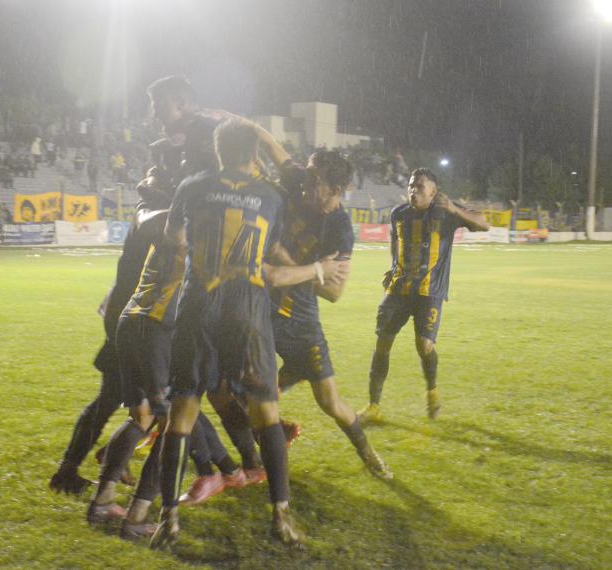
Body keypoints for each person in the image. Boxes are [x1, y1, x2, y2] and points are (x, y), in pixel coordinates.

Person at [48, 76, 230, 496]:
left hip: (150, 309)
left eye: (157, 105)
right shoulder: (157, 192)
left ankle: (80, 472)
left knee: (130, 396)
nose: (152, 114)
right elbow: (154, 224)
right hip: (141, 312)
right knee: (167, 399)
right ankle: (212, 471)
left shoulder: (184, 185)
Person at [151, 120, 329, 549]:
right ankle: (281, 517)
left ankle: (168, 521)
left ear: (218, 152)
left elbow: (172, 239)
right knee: (266, 414)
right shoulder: (271, 196)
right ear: (254, 153)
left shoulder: (192, 186)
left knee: (182, 416)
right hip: (247, 312)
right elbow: (271, 253)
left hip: (198, 308)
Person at [256, 129, 392, 479]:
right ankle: (262, 458)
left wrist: (289, 265)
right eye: (307, 175)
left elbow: (333, 292)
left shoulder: (339, 229)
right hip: (265, 309)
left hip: (301, 322)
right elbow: (270, 145)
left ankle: (368, 453)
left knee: (329, 402)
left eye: (314, 180)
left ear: (336, 189)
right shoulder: (300, 180)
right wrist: (238, 123)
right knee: (248, 390)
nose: (304, 184)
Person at [358, 168, 490, 424]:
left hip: (429, 292)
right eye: (410, 185)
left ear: (433, 192)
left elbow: (484, 223)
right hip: (399, 289)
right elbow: (395, 242)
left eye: (419, 187)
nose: (413, 191)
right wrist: (393, 266)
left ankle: (432, 390)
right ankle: (373, 405)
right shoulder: (398, 214)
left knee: (424, 346)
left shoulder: (445, 212)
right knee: (382, 342)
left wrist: (454, 209)